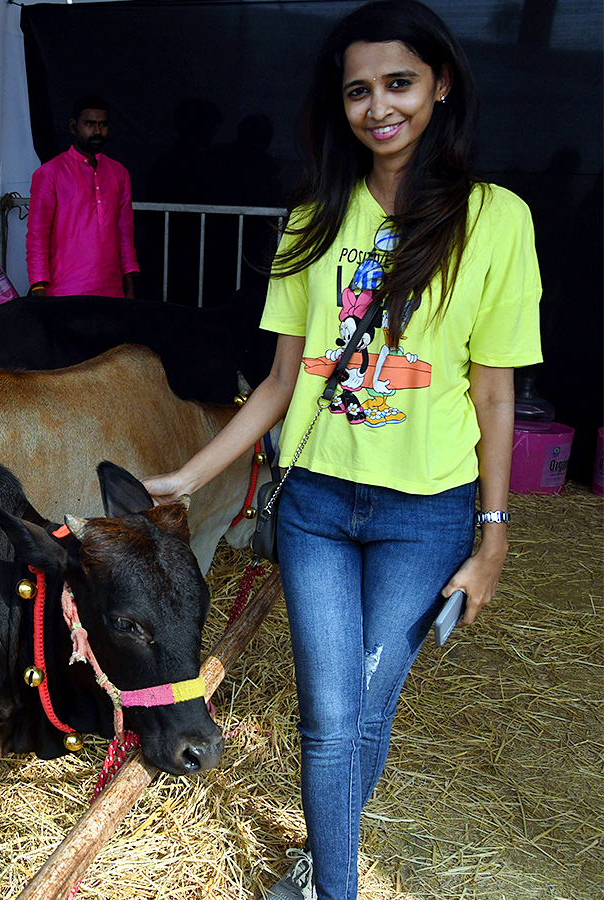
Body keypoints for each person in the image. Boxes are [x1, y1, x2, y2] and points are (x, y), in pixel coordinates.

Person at [141, 3, 541, 899]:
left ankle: (322, 868)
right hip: (320, 504)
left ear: (440, 86)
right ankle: (335, 884)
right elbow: (282, 384)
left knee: (366, 704)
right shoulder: (313, 221)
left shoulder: (494, 219)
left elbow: (495, 391)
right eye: (359, 90)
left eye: (399, 83)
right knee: (329, 715)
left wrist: (493, 539)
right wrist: (188, 475)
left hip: (427, 515)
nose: (379, 107)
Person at [26, 95, 139, 298]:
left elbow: (125, 235)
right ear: (73, 126)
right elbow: (37, 235)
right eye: (89, 124)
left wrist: (129, 287)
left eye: (103, 125)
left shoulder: (119, 173)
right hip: (64, 292)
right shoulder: (50, 173)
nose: (97, 131)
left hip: (111, 292)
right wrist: (38, 287)